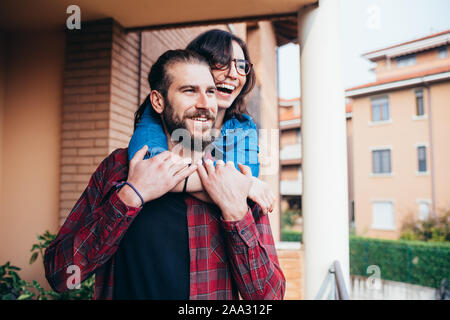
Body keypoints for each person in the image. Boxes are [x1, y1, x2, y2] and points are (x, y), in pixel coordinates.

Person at [44, 49, 285, 300]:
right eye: (189, 91)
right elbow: (60, 274)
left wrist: (236, 213)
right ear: (158, 101)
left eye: (210, 92)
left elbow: (269, 297)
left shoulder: (234, 179)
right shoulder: (117, 168)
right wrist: (129, 196)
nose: (205, 104)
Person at [129, 29, 275, 214]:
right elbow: (150, 168)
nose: (233, 74)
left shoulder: (244, 127)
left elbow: (242, 183)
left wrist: (242, 185)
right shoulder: (159, 113)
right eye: (222, 62)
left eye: (240, 65)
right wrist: (244, 186)